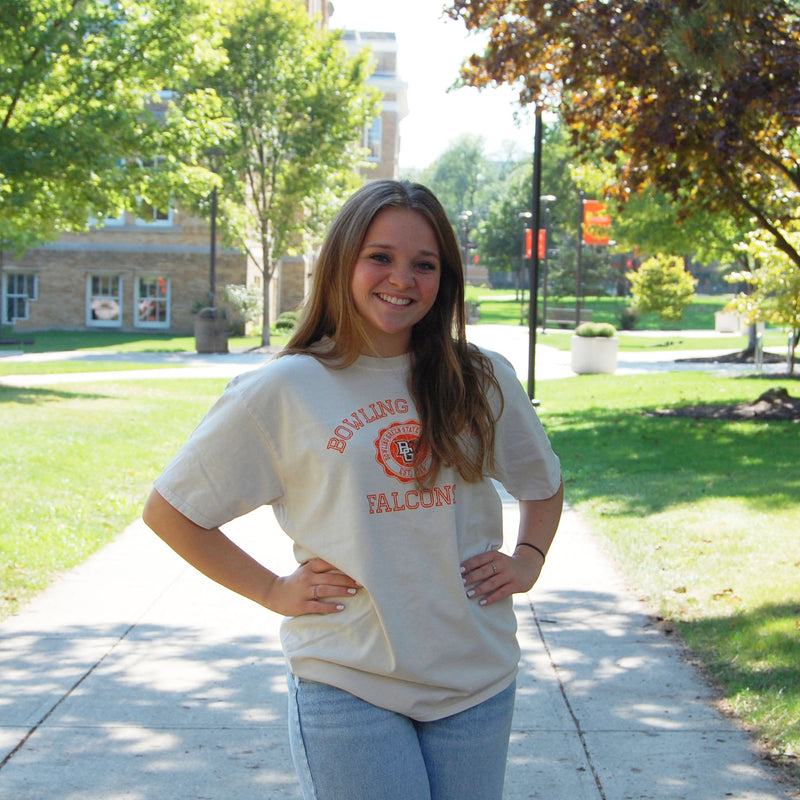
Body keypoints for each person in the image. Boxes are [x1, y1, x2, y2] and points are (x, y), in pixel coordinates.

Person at [143, 179, 563, 800]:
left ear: (444, 279)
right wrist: (271, 590)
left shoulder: (480, 377)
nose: (403, 278)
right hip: (349, 679)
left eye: (425, 264)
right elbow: (172, 511)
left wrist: (529, 558)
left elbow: (542, 482)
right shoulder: (284, 388)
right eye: (381, 257)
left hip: (477, 678)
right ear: (342, 261)